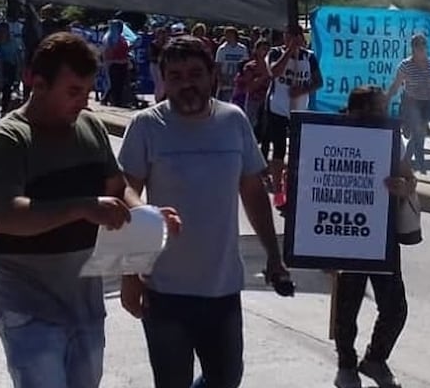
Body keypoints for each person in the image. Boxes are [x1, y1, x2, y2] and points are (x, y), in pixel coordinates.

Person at [0, 32, 180, 388]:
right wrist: (82, 208)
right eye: (73, 92)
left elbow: (118, 189)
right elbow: (8, 217)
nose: (82, 103)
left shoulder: (89, 127)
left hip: (85, 305)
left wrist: (149, 217)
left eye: (87, 92)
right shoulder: (7, 140)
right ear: (37, 83)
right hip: (30, 311)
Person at [118, 35, 288, 388]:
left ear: (213, 75)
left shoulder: (234, 121)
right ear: (164, 79)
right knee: (172, 381)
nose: (186, 84)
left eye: (195, 73)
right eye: (176, 76)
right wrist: (130, 275)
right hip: (163, 289)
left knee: (226, 378)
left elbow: (253, 191)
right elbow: (125, 195)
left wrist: (274, 255)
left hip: (222, 287)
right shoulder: (146, 125)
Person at [332, 86, 415, 388]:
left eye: (382, 109)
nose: (380, 116)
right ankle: (345, 364)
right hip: (346, 234)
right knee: (346, 307)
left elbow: (410, 179)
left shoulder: (394, 140)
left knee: (395, 308)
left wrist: (403, 187)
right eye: (373, 110)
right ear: (354, 112)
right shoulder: (331, 136)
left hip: (382, 235)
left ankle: (375, 359)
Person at [266, 24, 323, 207]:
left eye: (295, 36)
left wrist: (303, 90)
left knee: (297, 151)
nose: (291, 39)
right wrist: (289, 51)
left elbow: (318, 81)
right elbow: (273, 72)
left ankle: (293, 186)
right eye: (288, 36)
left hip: (299, 109)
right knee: (279, 149)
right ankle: (277, 191)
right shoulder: (275, 53)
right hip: (278, 108)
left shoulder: (309, 56)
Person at [386, 34, 430, 175]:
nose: (421, 49)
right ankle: (420, 163)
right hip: (412, 102)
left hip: (427, 102)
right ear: (413, 48)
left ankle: (407, 161)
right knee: (418, 132)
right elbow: (396, 85)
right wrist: (386, 98)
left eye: (423, 46)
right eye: (418, 46)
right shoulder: (405, 65)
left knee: (418, 133)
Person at [232, 38, 272, 135]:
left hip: (268, 101)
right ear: (257, 50)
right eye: (263, 49)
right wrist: (264, 76)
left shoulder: (272, 66)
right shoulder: (250, 67)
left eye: (267, 49)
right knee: (251, 126)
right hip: (253, 100)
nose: (265, 52)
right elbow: (250, 87)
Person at [215, 26, 250, 102]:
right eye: (226, 35)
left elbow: (246, 64)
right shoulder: (222, 49)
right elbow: (218, 65)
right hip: (225, 78)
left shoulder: (242, 49)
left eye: (230, 35)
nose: (227, 37)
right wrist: (220, 79)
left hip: (238, 79)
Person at [0, 22, 23, 115]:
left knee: (7, 90)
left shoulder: (13, 42)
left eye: (5, 30)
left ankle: (4, 110)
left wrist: (18, 72)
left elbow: (18, 57)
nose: (3, 32)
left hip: (10, 67)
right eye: (1, 30)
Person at [102, 19, 131, 107]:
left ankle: (117, 100)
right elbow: (108, 52)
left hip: (122, 62)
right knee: (113, 83)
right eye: (119, 26)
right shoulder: (109, 37)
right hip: (113, 63)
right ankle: (111, 100)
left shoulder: (121, 37)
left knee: (120, 83)